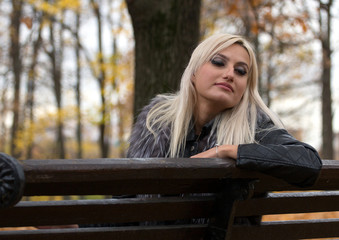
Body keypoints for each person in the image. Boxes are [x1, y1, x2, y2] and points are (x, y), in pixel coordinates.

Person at [127, 33, 322, 188]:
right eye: (219, 62)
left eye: (241, 71)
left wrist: (226, 151)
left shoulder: (253, 125)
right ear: (193, 72)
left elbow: (309, 161)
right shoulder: (155, 119)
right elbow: (127, 197)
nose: (230, 75)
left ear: (246, 87)